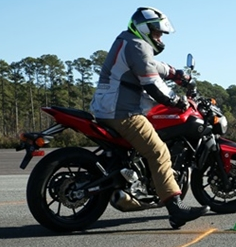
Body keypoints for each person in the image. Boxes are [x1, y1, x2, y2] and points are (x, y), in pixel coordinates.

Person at [90, 6, 209, 229]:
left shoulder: (130, 41)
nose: (160, 36)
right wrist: (179, 101)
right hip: (121, 112)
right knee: (158, 151)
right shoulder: (137, 45)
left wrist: (178, 74)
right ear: (145, 29)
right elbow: (153, 84)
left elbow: (153, 66)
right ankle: (175, 209)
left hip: (109, 108)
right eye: (157, 32)